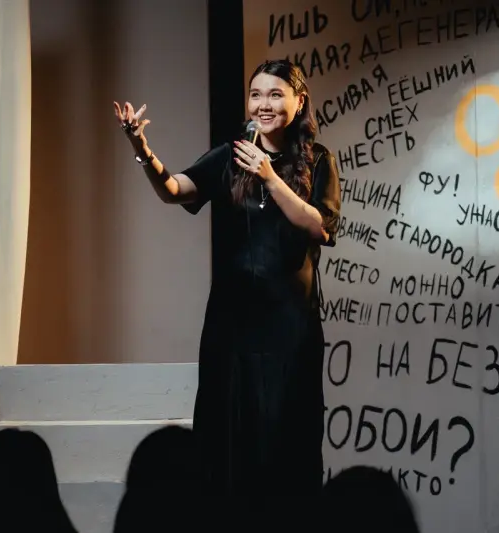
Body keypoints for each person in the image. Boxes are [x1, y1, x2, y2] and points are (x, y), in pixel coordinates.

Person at [113, 59, 341, 525]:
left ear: (299, 102)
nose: (263, 104)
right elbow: (175, 189)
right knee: (228, 442)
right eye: (256, 94)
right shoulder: (231, 155)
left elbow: (319, 227)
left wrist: (270, 176)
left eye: (275, 95)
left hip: (289, 328)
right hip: (232, 326)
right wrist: (141, 147)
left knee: (286, 441)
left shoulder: (318, 160)